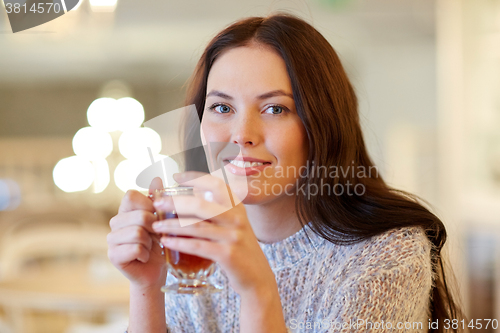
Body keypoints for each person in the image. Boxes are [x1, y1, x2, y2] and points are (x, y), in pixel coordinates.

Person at [107, 13, 464, 333]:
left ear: (321, 124)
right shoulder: (195, 242)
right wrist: (147, 288)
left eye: (275, 109)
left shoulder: (386, 255)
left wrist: (259, 290)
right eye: (221, 107)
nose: (242, 134)